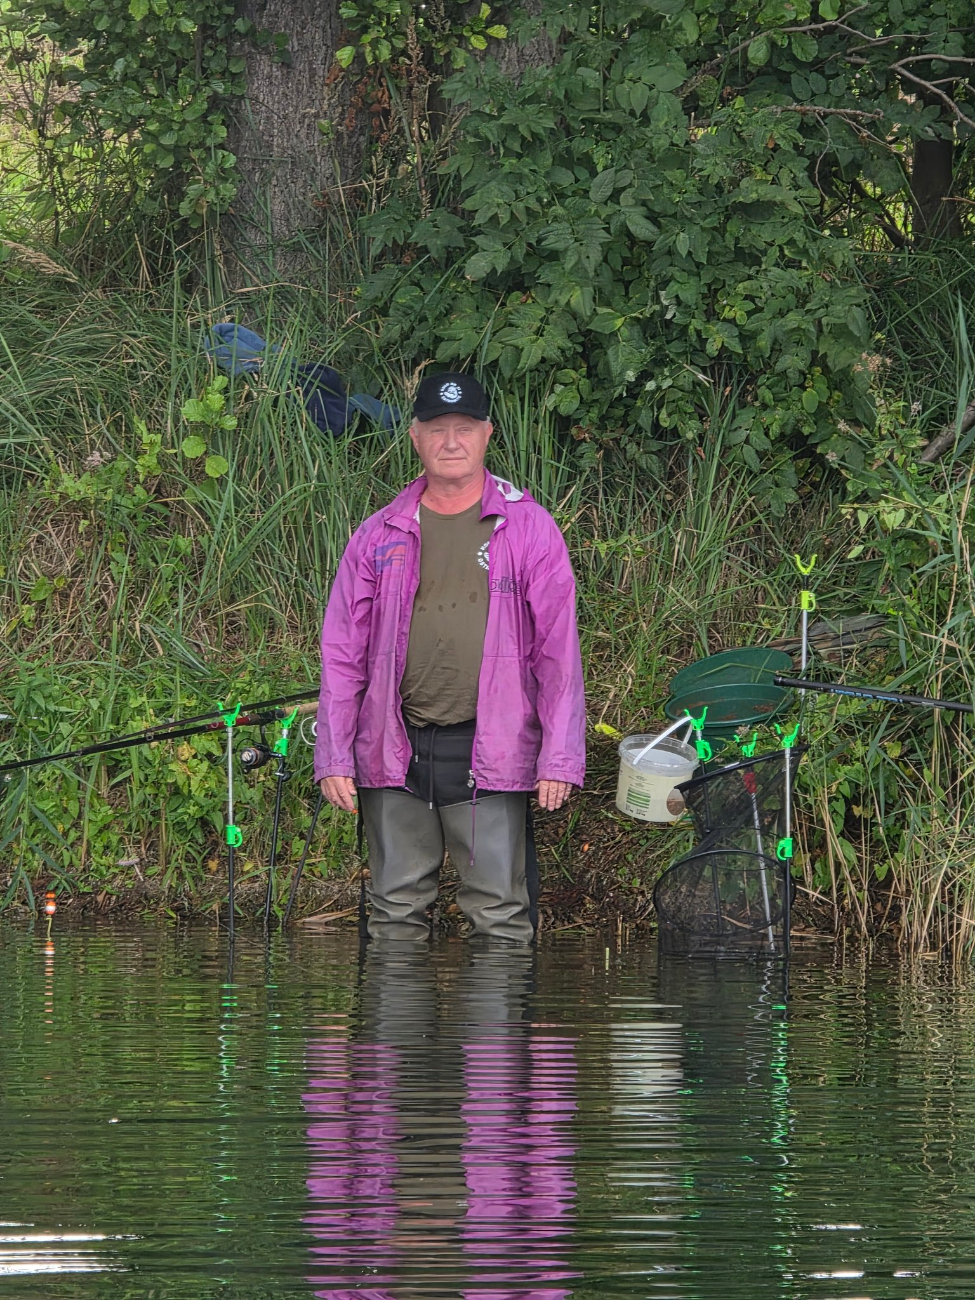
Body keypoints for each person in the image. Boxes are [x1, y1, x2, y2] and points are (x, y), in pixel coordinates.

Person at [313, 371, 585, 943]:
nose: (452, 441)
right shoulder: (378, 532)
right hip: (394, 745)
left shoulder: (528, 527)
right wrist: (334, 754)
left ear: (487, 434)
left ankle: (498, 1005)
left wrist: (558, 759)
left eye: (465, 428)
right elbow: (342, 655)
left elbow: (558, 654)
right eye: (437, 429)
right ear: (415, 436)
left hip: (491, 746)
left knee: (500, 914)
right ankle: (394, 1005)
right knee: (393, 911)